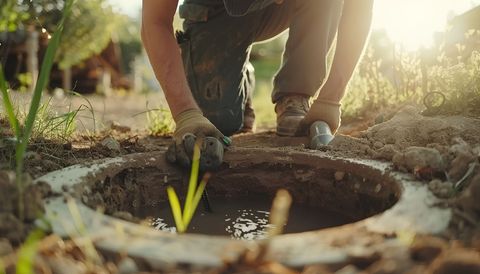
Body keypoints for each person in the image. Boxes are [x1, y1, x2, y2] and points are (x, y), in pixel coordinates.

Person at [142, 0, 374, 167]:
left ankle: (295, 94)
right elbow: (155, 21)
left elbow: (359, 7)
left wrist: (332, 98)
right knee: (214, 127)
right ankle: (241, 80)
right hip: (213, 10)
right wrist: (185, 113)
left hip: (291, 8)